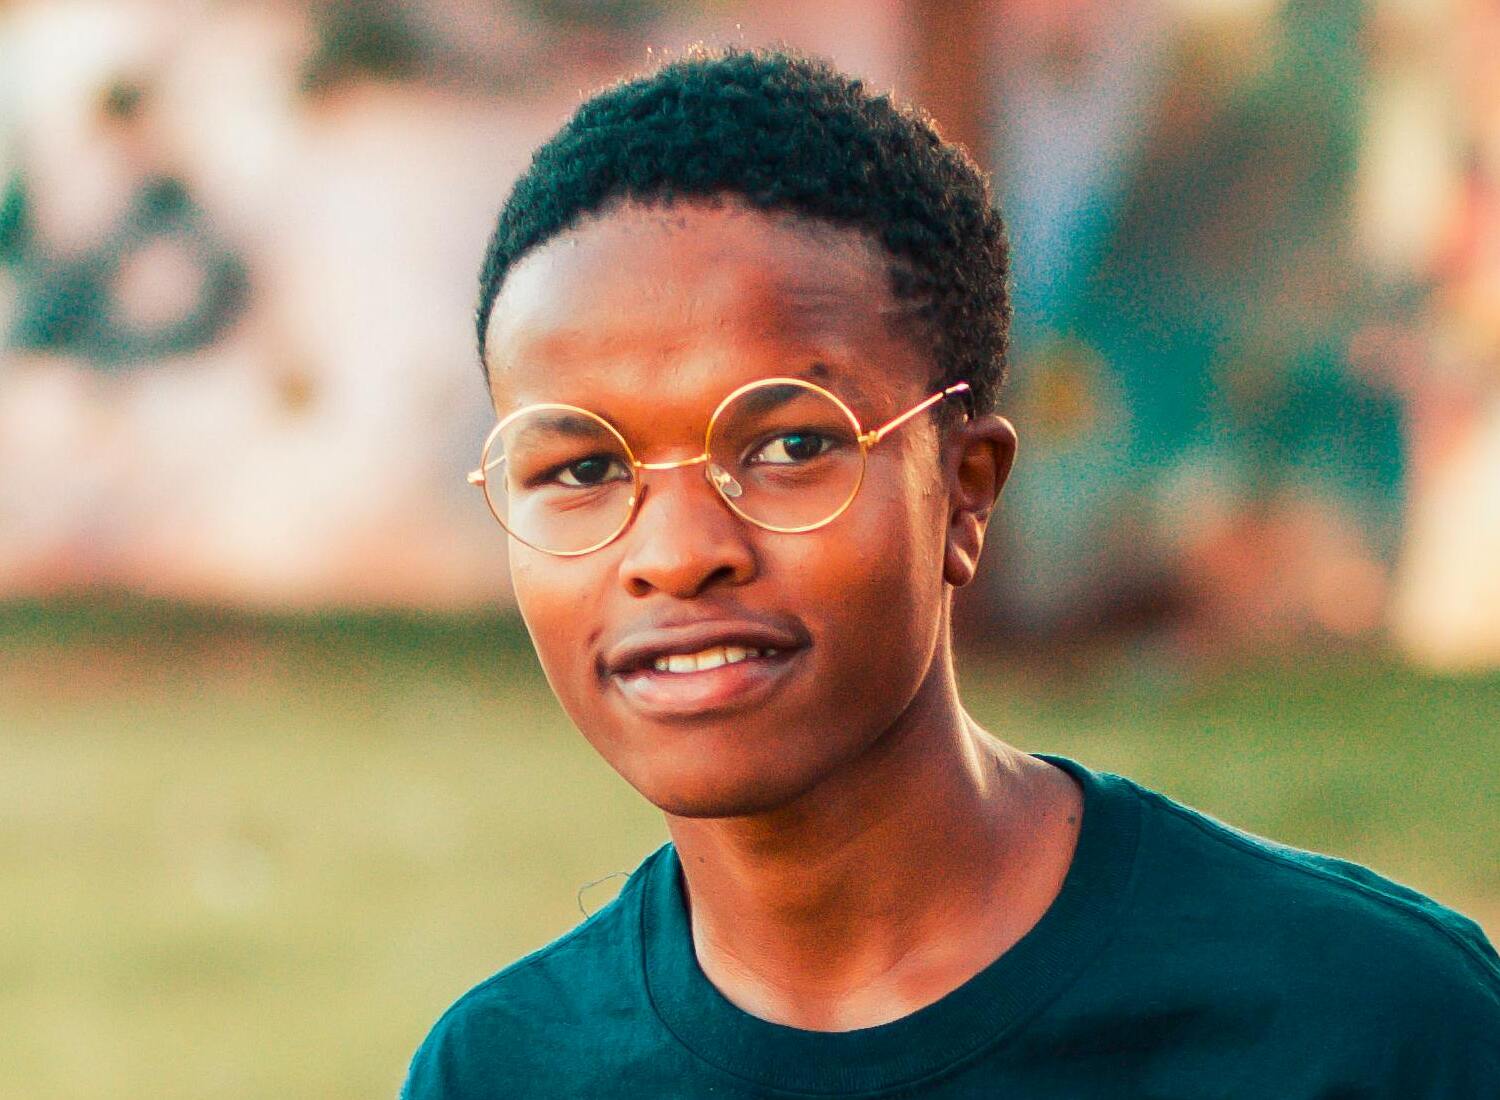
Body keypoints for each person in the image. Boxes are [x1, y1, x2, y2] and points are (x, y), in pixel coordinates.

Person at [402, 47, 1499, 1098]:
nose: (680, 551)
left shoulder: (1371, 1025)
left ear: (966, 487)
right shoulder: (501, 1070)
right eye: (584, 465)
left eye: (790, 444)